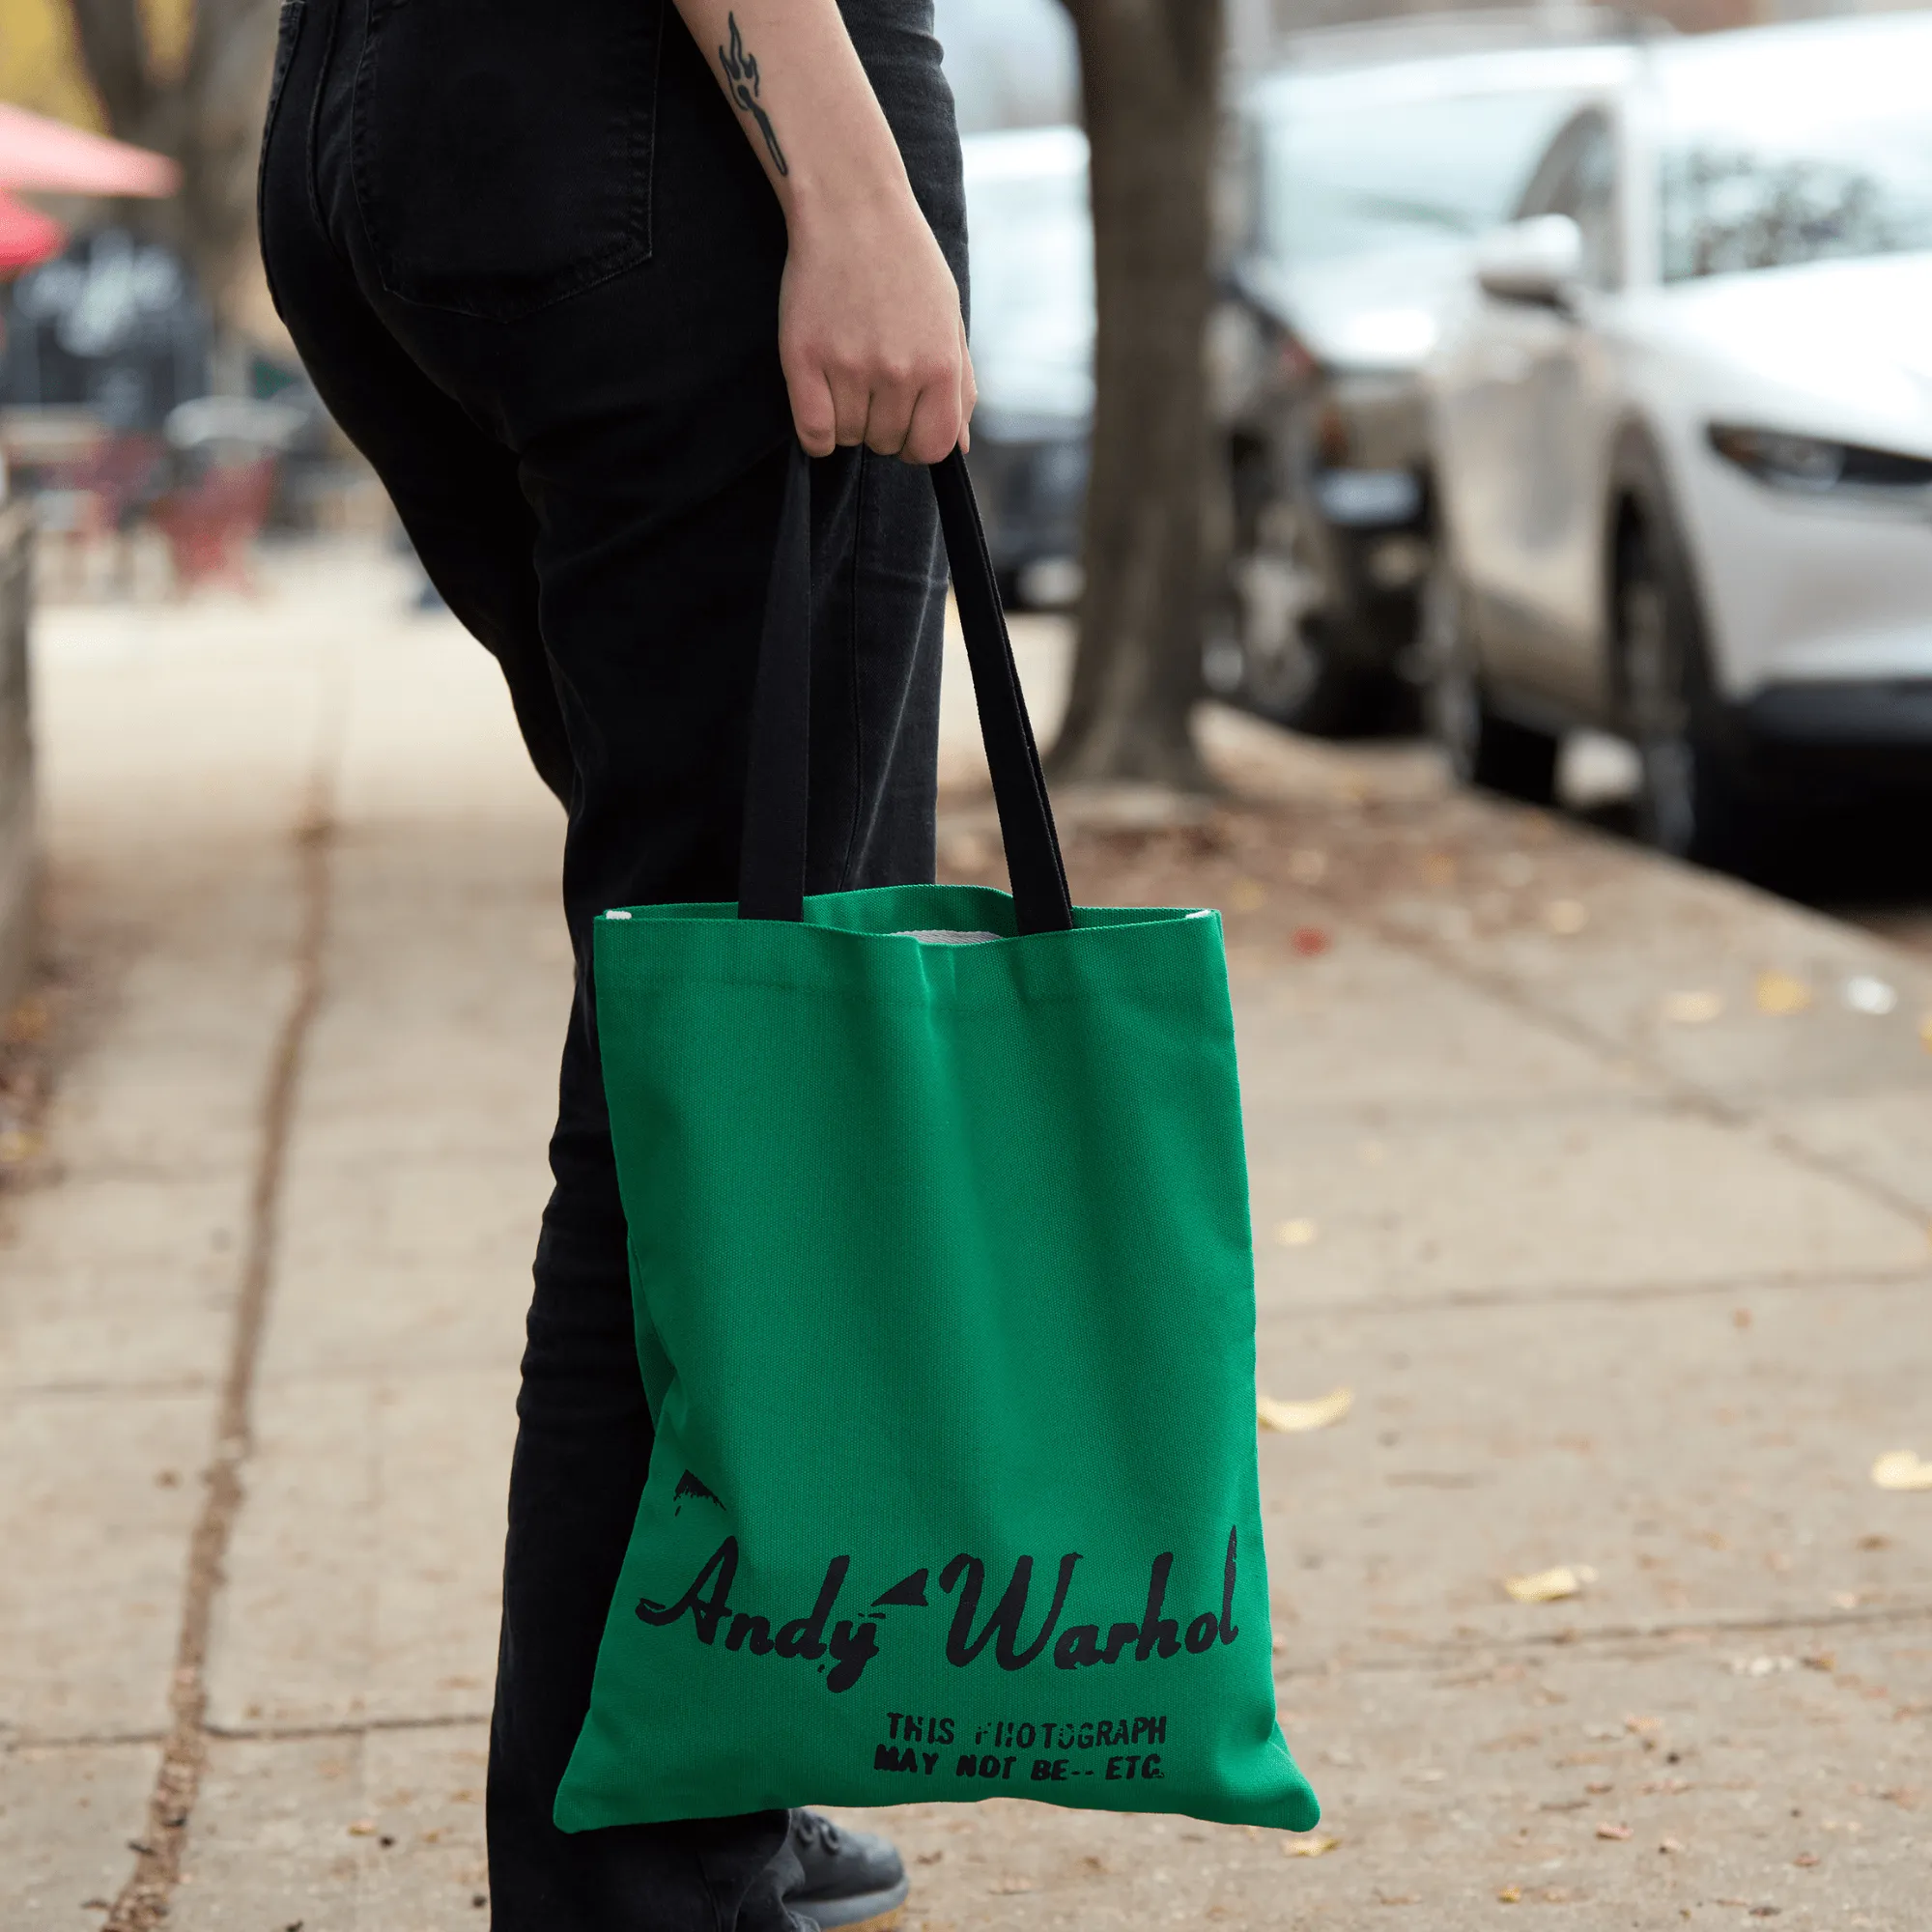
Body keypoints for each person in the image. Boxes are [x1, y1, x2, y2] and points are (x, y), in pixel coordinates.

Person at [258, 2, 974, 1926]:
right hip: (669, 139)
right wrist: (846, 178)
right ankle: (632, 1876)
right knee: (729, 1052)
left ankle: (690, 1772)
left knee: (701, 1004)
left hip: (390, 119)